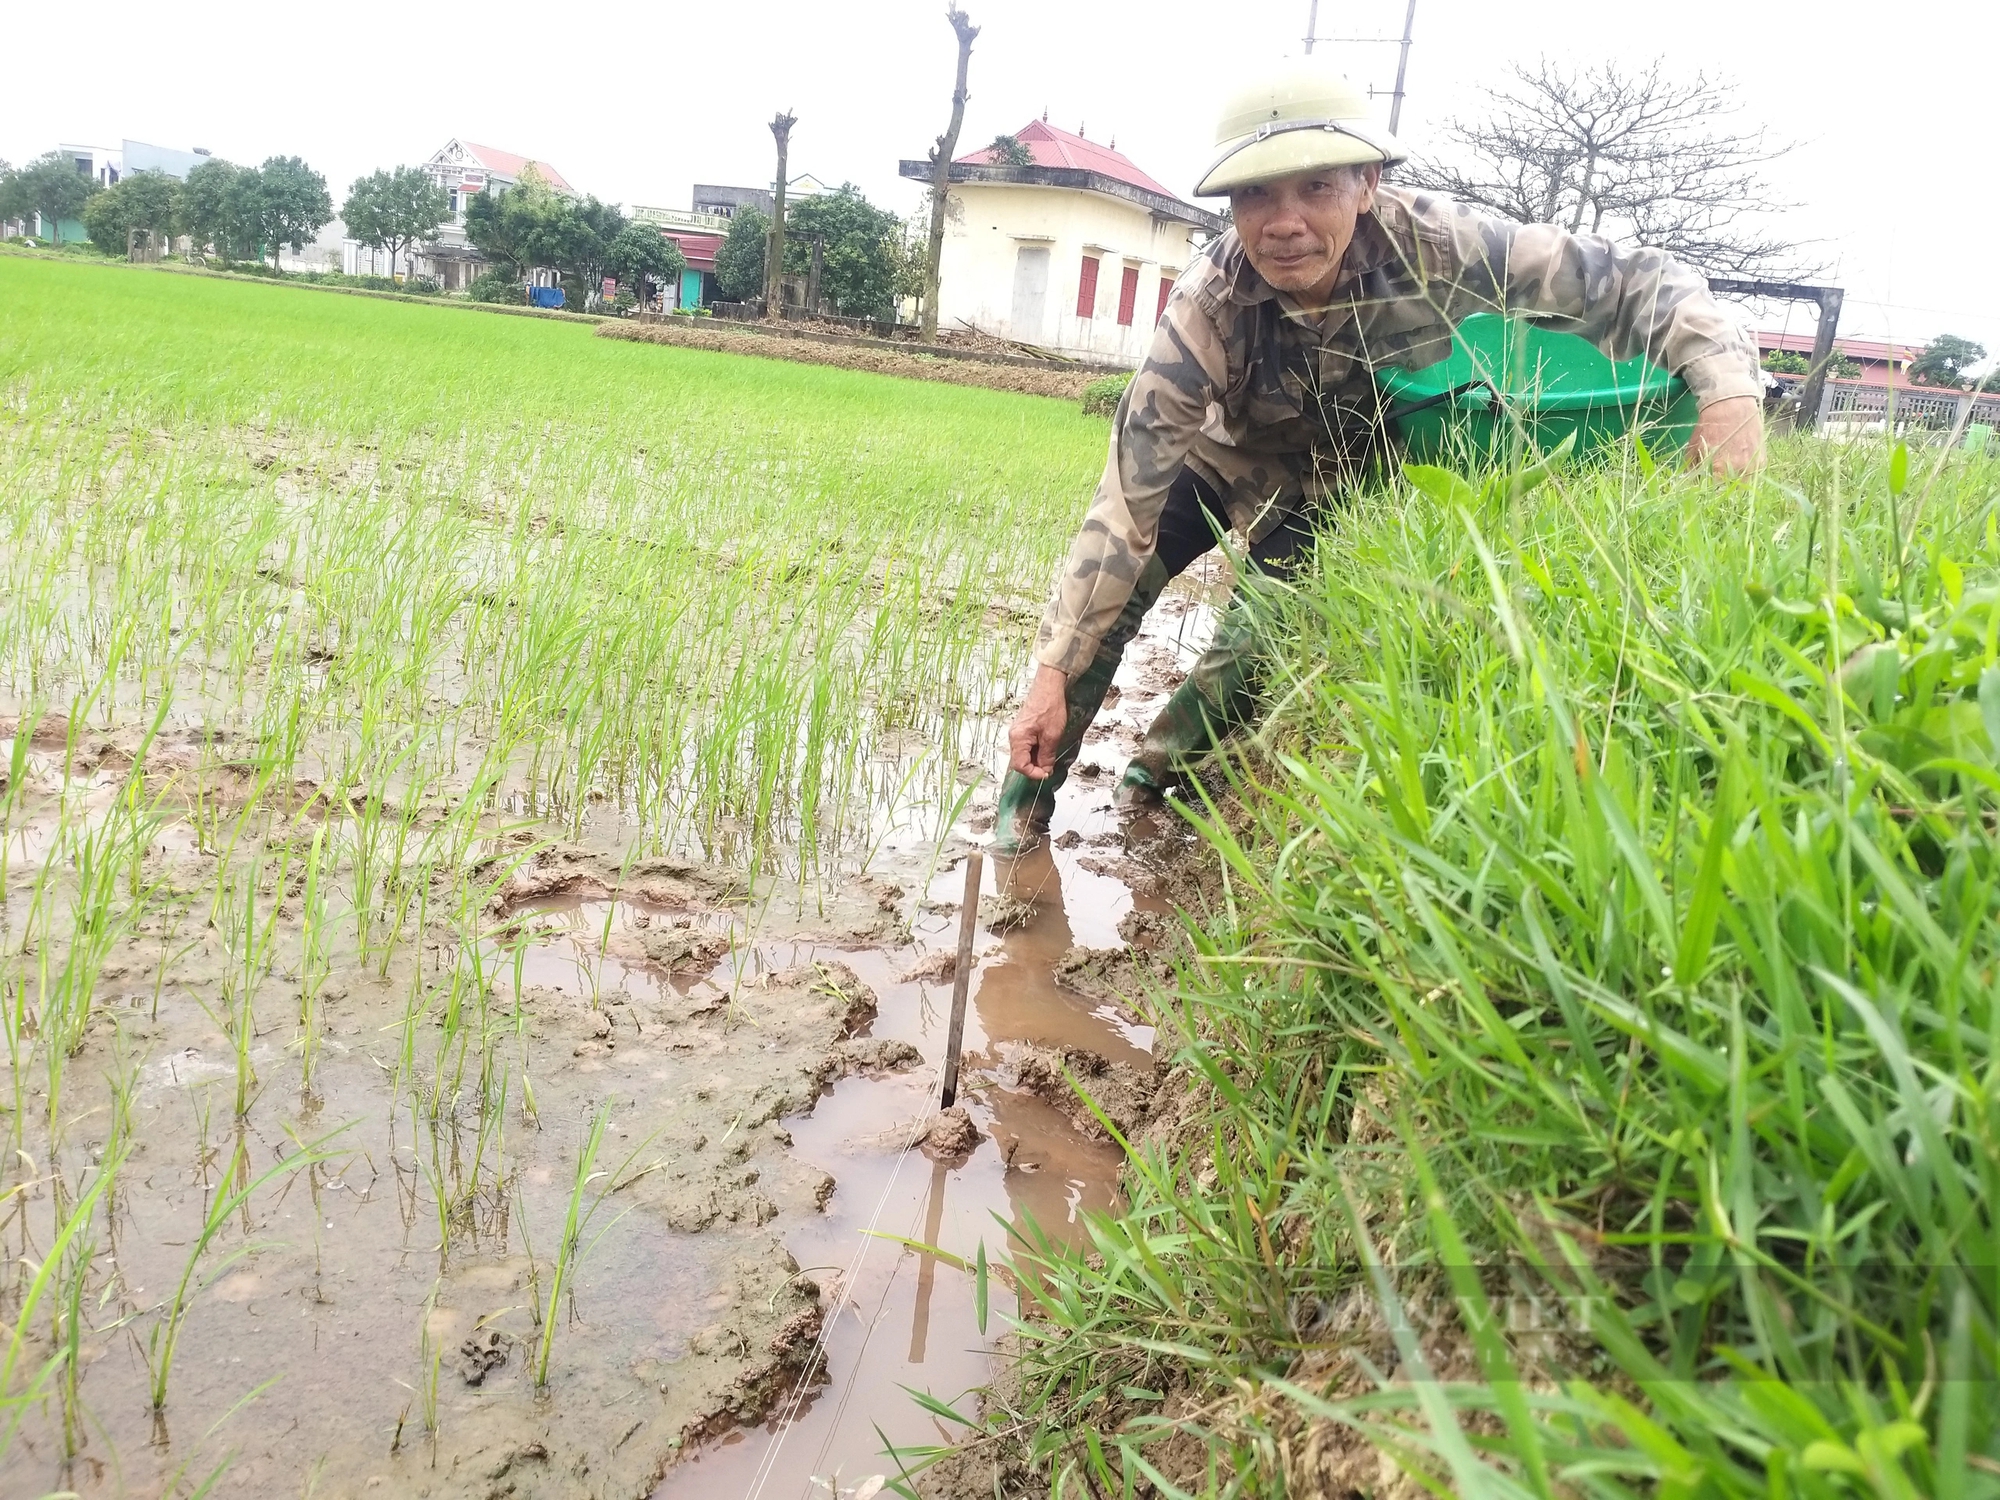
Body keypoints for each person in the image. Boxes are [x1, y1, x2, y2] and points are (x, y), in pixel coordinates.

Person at [996, 60, 1765, 852]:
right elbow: (1126, 502)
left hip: (1337, 485)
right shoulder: (1207, 304)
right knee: (1108, 609)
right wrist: (1052, 672)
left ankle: (1156, 780)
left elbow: (1642, 284)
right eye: (1256, 195)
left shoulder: (1443, 246)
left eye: (1317, 187)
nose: (1284, 222)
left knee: (1256, 641)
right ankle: (1021, 815)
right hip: (1225, 460)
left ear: (1366, 181)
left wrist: (1728, 391)